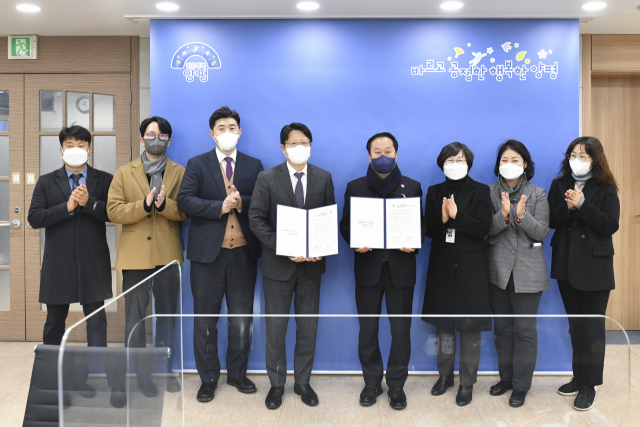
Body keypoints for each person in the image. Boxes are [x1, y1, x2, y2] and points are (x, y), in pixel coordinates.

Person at [177, 106, 263, 402]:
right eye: (221, 128)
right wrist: (219, 207)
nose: (227, 132)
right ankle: (208, 378)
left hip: (243, 254)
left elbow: (263, 201)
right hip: (206, 256)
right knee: (205, 320)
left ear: (240, 132)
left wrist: (241, 202)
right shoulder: (197, 163)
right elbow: (185, 200)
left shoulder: (254, 164)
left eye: (232, 127)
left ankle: (237, 374)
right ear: (212, 134)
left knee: (241, 319)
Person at [249, 122, 335, 410]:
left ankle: (302, 382)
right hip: (277, 267)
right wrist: (283, 247)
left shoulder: (323, 177)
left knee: (308, 328)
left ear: (311, 146)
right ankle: (276, 384)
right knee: (276, 329)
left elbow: (327, 219)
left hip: (311, 268)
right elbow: (256, 219)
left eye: (305, 142)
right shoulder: (267, 177)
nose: (300, 147)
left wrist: (320, 249)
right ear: (283, 148)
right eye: (294, 143)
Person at [339, 132, 425, 410]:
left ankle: (397, 385)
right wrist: (355, 241)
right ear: (369, 156)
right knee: (368, 330)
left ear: (396, 154)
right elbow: (346, 225)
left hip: (401, 270)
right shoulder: (355, 186)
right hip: (368, 268)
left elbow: (421, 225)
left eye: (388, 151)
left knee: (401, 331)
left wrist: (415, 241)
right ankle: (372, 382)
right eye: (377, 152)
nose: (383, 156)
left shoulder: (412, 186)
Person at [106, 116, 187, 407]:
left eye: (162, 135)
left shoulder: (180, 172)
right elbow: (113, 211)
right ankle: (139, 375)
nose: (156, 139)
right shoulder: (124, 172)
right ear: (141, 139)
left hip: (168, 255)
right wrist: (144, 205)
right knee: (135, 318)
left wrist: (165, 205)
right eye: (151, 135)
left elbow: (186, 210)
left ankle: (164, 371)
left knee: (167, 317)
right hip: (135, 256)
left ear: (169, 140)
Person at [27, 125, 113, 398]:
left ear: (89, 149)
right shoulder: (46, 181)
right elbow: (34, 218)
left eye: (81, 145)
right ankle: (52, 381)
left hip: (93, 261)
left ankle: (88, 378)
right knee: (54, 323)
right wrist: (67, 207)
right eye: (70, 145)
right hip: (58, 263)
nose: (76, 149)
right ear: (61, 150)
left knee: (96, 323)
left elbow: (113, 213)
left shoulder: (104, 179)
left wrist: (89, 203)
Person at [548, 136, 619, 411]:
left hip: (595, 268)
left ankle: (589, 385)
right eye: (573, 155)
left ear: (595, 159)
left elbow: (610, 224)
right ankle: (578, 378)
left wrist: (582, 205)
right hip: (566, 264)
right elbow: (552, 220)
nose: (576, 160)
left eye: (583, 156)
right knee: (576, 327)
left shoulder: (606, 187)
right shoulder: (559, 185)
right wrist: (568, 207)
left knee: (592, 330)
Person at [421, 142, 492, 406]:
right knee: (444, 328)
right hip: (442, 264)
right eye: (449, 160)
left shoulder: (481, 191)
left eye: (459, 160)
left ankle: (467, 383)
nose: (454, 164)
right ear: (442, 164)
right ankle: (445, 376)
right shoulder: (434, 191)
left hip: (472, 266)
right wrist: (442, 219)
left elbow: (483, 228)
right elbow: (428, 230)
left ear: (468, 163)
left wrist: (457, 216)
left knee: (471, 329)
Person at [486, 140, 550, 408]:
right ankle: (506, 379)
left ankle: (521, 386)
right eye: (504, 160)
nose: (509, 164)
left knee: (525, 330)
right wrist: (503, 216)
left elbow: (542, 232)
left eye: (515, 160)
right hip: (497, 270)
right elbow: (485, 230)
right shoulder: (488, 192)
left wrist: (522, 217)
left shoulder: (538, 193)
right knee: (502, 329)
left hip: (528, 271)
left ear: (525, 164)